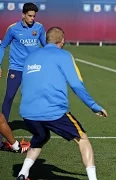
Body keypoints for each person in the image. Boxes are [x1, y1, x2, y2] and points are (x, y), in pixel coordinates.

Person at [16, 27, 107, 180]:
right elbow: (76, 85)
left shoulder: (31, 56)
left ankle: (22, 174)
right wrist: (94, 106)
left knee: (41, 137)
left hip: (27, 113)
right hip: (53, 112)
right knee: (82, 139)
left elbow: (24, 85)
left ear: (46, 40)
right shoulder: (64, 55)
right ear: (62, 41)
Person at [0, 2, 46, 149]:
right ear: (23, 15)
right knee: (9, 98)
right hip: (16, 69)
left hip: (33, 70)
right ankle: (2, 130)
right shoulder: (13, 29)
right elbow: (2, 46)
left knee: (33, 98)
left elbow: (46, 46)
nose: (32, 18)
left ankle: (39, 129)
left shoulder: (39, 28)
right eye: (30, 15)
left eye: (34, 16)